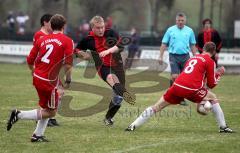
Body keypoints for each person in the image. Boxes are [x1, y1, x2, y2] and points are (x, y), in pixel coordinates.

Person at [126, 42, 234, 133]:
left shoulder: (193, 58)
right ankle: (223, 127)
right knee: (213, 98)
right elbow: (211, 84)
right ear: (214, 52)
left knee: (156, 107)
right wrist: (218, 74)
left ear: (203, 49)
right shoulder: (210, 61)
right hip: (191, 88)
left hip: (177, 85)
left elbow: (195, 77)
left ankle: (132, 125)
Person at [6, 14, 74, 142]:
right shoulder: (67, 40)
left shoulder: (42, 40)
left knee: (46, 108)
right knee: (52, 112)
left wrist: (33, 71)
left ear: (51, 26)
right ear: (64, 26)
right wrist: (69, 79)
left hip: (38, 77)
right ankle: (18, 114)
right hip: (49, 81)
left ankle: (37, 135)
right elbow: (69, 64)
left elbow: (30, 60)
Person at [75, 15, 136, 126]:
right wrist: (83, 55)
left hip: (118, 66)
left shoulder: (111, 33)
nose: (101, 30)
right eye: (98, 28)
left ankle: (108, 118)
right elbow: (77, 50)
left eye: (102, 27)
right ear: (92, 28)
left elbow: (121, 45)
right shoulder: (88, 40)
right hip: (103, 67)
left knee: (118, 97)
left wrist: (108, 51)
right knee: (116, 86)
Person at [159, 12, 197, 106]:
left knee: (184, 79)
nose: (180, 22)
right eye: (178, 20)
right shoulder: (170, 30)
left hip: (185, 56)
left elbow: (192, 45)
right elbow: (164, 44)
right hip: (173, 56)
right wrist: (160, 56)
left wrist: (195, 56)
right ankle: (172, 96)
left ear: (185, 21)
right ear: (176, 21)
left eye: (182, 20)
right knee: (175, 77)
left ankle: (181, 98)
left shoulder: (190, 31)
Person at [33, 14, 60, 127]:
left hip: (51, 69)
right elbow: (38, 53)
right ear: (45, 22)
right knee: (51, 93)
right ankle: (45, 116)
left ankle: (50, 117)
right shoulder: (40, 35)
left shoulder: (49, 36)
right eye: (50, 22)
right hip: (44, 69)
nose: (52, 25)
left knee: (57, 93)